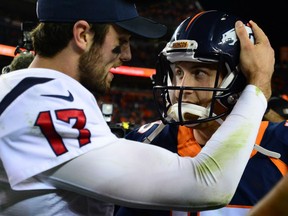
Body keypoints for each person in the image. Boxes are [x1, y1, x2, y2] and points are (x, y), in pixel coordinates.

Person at [0, 1, 273, 215]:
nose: (128, 55)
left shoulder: (27, 93)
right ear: (82, 35)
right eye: (121, 40)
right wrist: (259, 83)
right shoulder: (44, 106)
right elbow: (208, 184)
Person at [115, 10, 284, 216]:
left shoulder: (281, 146)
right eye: (178, 72)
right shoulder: (146, 143)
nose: (182, 87)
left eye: (199, 73)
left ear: (239, 80)